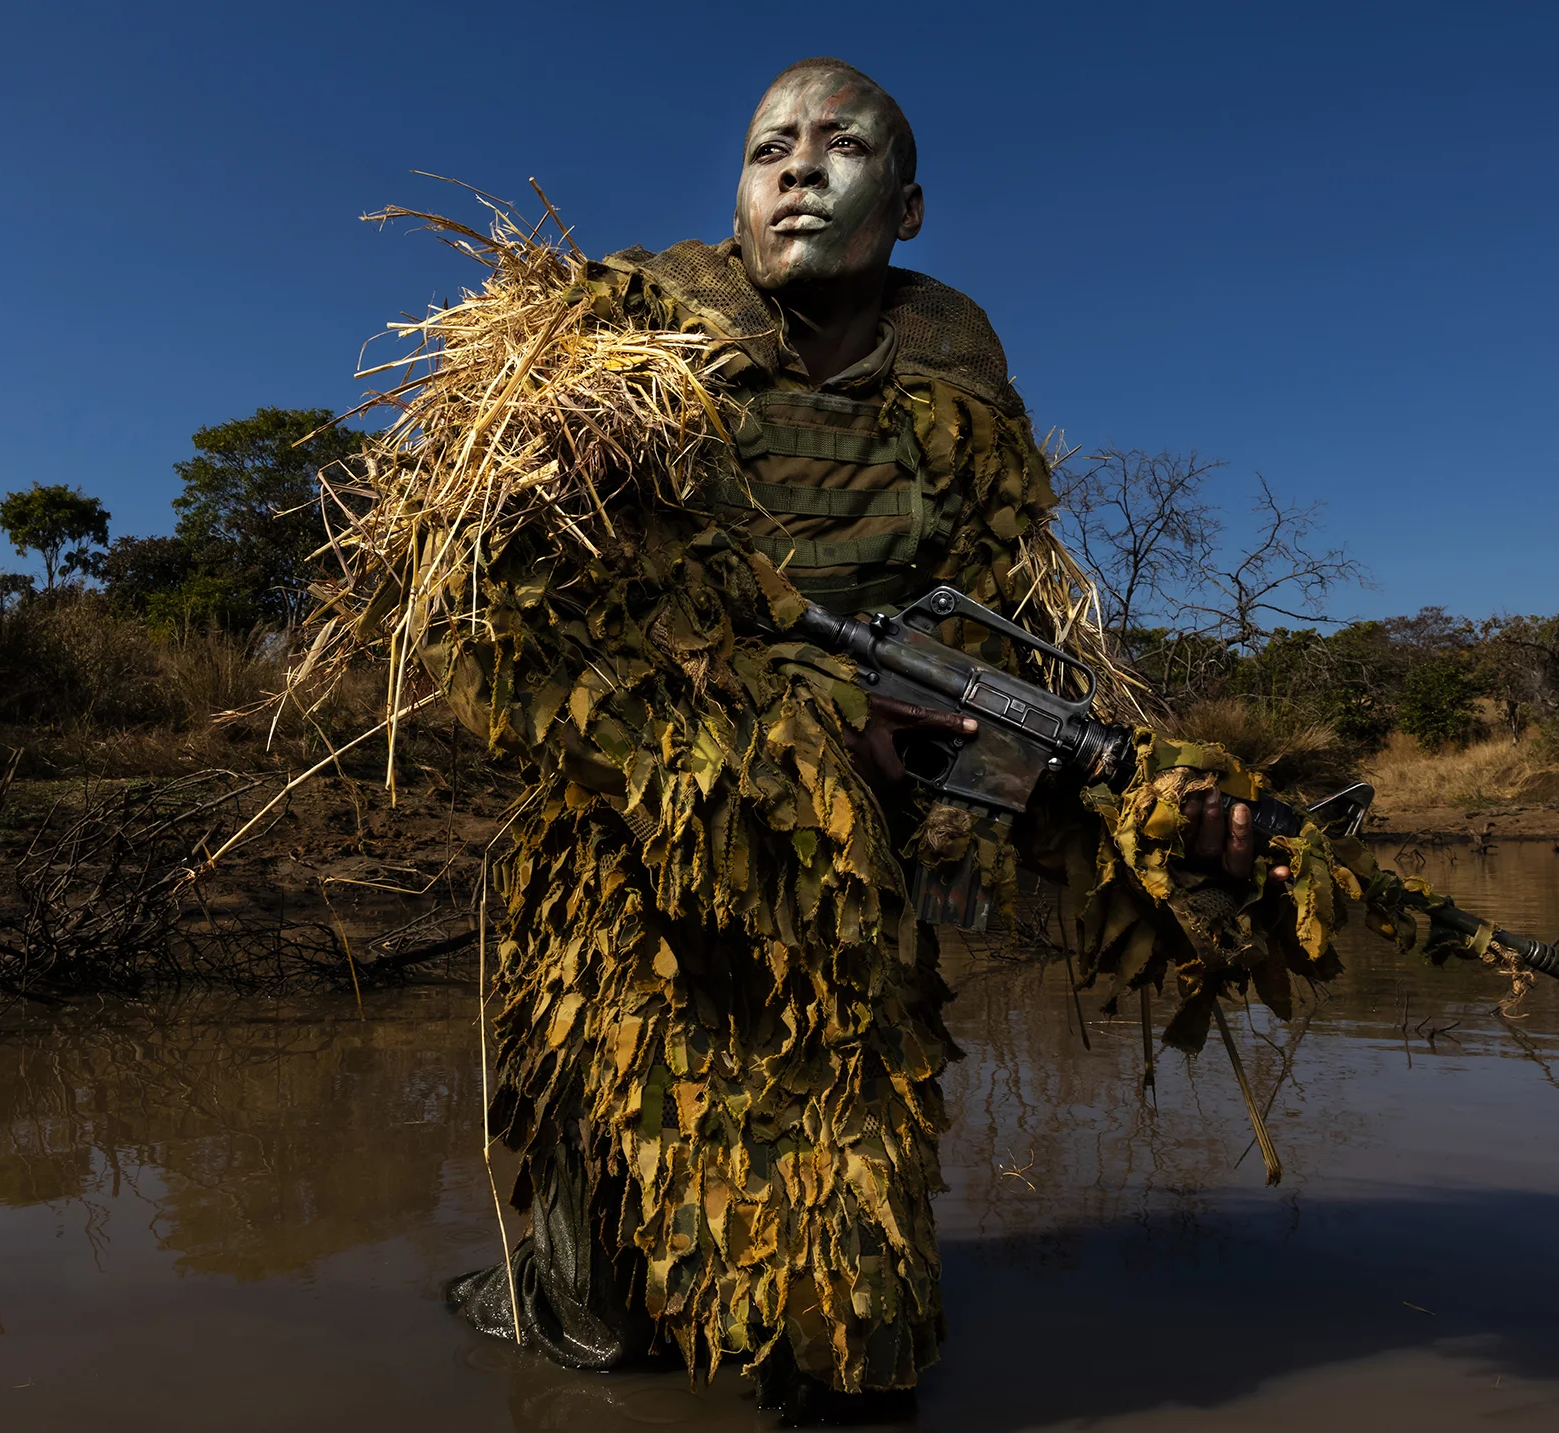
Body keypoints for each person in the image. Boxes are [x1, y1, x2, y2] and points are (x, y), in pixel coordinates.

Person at [436, 56, 1284, 1419]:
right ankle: (583, 1311)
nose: (799, 166)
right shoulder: (625, 340)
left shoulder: (953, 382)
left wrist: (1124, 805)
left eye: (843, 146)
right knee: (598, 1196)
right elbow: (508, 614)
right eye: (772, 144)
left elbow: (1013, 652)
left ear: (910, 204)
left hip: (851, 866)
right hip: (629, 840)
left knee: (845, 1262)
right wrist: (768, 720)